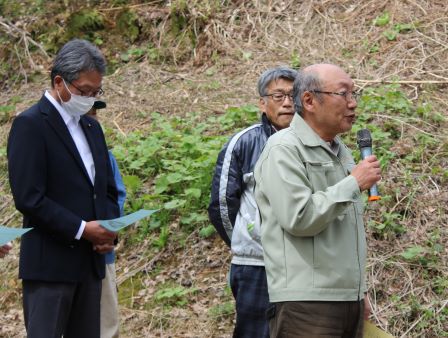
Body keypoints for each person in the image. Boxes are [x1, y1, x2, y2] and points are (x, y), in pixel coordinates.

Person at [254, 63, 381, 338]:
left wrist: (358, 290)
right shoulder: (283, 149)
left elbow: (343, 230)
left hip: (348, 299)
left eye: (354, 94)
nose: (353, 103)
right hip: (307, 304)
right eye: (343, 94)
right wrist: (354, 183)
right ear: (309, 100)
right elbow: (299, 218)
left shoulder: (341, 151)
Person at [7, 39, 119, 337]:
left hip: (90, 264)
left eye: (96, 93)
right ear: (60, 82)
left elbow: (105, 189)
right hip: (50, 267)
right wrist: (82, 228)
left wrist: (107, 229)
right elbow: (29, 197)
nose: (90, 99)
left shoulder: (92, 128)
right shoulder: (31, 125)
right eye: (84, 92)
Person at [208, 66, 298, 337]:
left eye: (293, 95)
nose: (287, 103)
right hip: (257, 264)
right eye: (278, 95)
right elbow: (222, 204)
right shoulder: (244, 142)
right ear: (262, 102)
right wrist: (247, 237)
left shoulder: (314, 142)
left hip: (303, 265)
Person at [88, 100, 126, 338]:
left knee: (106, 324)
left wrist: (109, 232)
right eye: (87, 114)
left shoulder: (105, 156)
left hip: (102, 254)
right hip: (64, 254)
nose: (92, 120)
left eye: (94, 115)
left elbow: (116, 197)